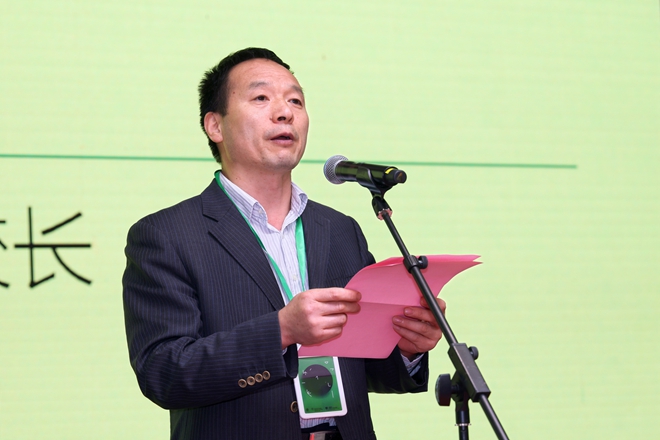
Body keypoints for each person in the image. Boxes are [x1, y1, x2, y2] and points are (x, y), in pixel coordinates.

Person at [123, 47, 446, 440]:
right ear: (215, 126)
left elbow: (366, 366)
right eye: (261, 98)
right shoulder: (167, 235)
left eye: (296, 101)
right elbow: (164, 372)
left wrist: (408, 347)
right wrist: (280, 330)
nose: (284, 113)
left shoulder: (340, 230)